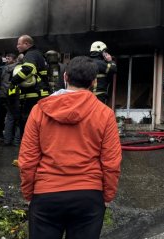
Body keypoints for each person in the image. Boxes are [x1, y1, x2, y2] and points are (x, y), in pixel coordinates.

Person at [19, 56, 122, 239]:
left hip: (46, 194)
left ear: (65, 77)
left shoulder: (39, 110)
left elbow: (27, 158)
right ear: (94, 82)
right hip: (89, 196)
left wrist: (28, 194)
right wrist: (107, 196)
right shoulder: (105, 114)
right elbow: (111, 162)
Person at [12, 35, 49, 137]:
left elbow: (28, 69)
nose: (17, 46)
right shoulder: (39, 54)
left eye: (19, 44)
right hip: (42, 94)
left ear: (26, 44)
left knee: (28, 126)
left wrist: (14, 81)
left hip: (33, 96)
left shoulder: (30, 54)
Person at [1, 53, 21, 146]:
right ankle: (17, 141)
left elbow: (3, 83)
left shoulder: (4, 69)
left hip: (8, 95)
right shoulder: (20, 69)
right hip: (18, 96)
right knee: (19, 119)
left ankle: (7, 140)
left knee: (9, 119)